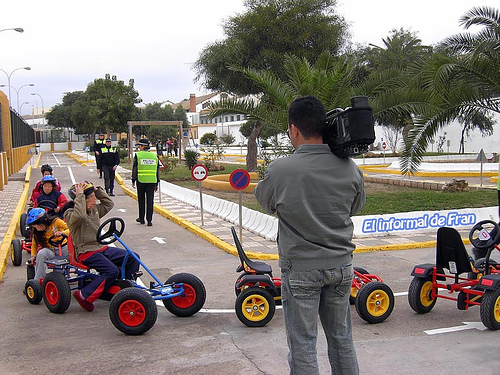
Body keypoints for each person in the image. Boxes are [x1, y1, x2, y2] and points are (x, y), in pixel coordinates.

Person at [254, 96, 365, 375]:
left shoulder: (281, 169)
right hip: (341, 267)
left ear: (294, 129)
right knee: (342, 340)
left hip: (301, 268)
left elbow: (265, 202)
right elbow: (356, 206)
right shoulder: (350, 168)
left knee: (303, 343)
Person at [64, 181, 141, 312]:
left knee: (132, 257)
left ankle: (126, 290)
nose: (95, 202)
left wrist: (97, 190)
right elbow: (80, 216)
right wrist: (80, 196)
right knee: (112, 270)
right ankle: (84, 295)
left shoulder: (94, 211)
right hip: (85, 252)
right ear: (82, 200)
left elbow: (108, 204)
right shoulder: (70, 214)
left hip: (100, 248)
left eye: (95, 198)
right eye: (92, 199)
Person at [27, 208, 70, 283]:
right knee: (41, 254)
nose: (38, 228)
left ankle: (60, 279)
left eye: (39, 225)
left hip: (63, 247)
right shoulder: (37, 232)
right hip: (50, 250)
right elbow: (34, 244)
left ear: (44, 221)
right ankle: (37, 282)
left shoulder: (56, 222)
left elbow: (70, 229)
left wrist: (62, 233)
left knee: (71, 255)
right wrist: (33, 256)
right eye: (35, 226)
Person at [131, 138, 159, 227]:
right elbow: (157, 170)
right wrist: (157, 182)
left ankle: (141, 218)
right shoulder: (154, 156)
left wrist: (133, 180)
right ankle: (149, 220)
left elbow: (135, 169)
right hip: (152, 181)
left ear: (143, 146)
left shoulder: (138, 155)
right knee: (150, 201)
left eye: (139, 145)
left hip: (141, 180)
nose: (138, 147)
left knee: (141, 200)